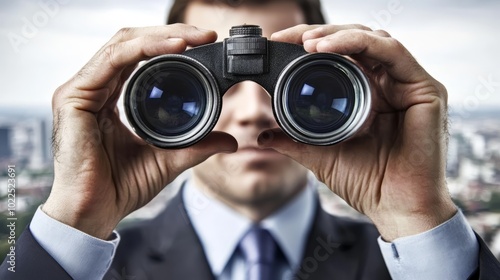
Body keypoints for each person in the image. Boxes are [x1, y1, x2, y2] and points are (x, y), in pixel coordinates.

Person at [2, 0, 500, 279]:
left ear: (344, 73)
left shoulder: (410, 263)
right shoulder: (95, 267)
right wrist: (75, 221)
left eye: (303, 88)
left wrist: (420, 222)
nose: (255, 107)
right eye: (192, 90)